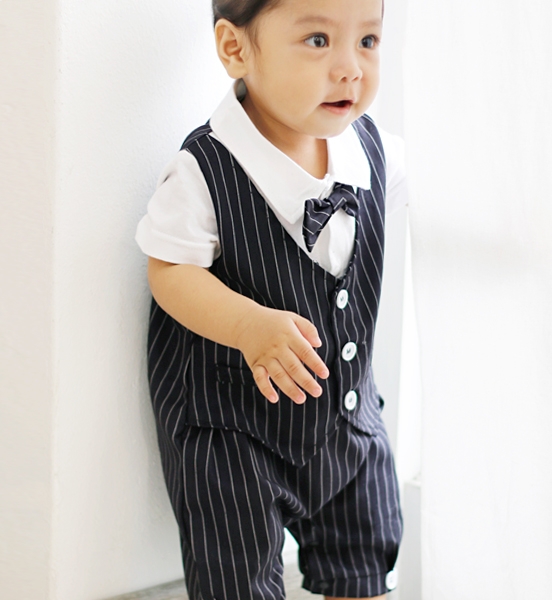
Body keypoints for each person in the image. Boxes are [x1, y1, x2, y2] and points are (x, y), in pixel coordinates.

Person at [135, 0, 407, 598]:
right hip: (235, 433)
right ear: (236, 48)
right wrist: (246, 324)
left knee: (365, 552)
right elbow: (170, 269)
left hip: (346, 421)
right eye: (318, 41)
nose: (351, 68)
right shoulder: (206, 170)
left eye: (368, 41)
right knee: (238, 573)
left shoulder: (374, 151)